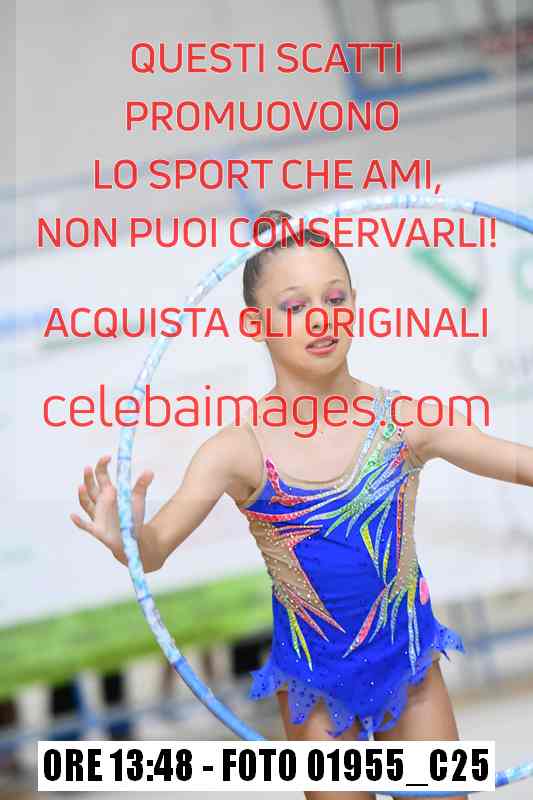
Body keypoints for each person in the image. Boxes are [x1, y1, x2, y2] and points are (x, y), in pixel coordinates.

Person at [71, 209, 533, 800]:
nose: (320, 317)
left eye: (335, 298)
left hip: (410, 667)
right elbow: (155, 549)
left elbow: (517, 462)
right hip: (315, 689)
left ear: (355, 305)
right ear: (255, 323)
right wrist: (129, 539)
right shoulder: (235, 452)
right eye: (293, 306)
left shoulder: (406, 421)